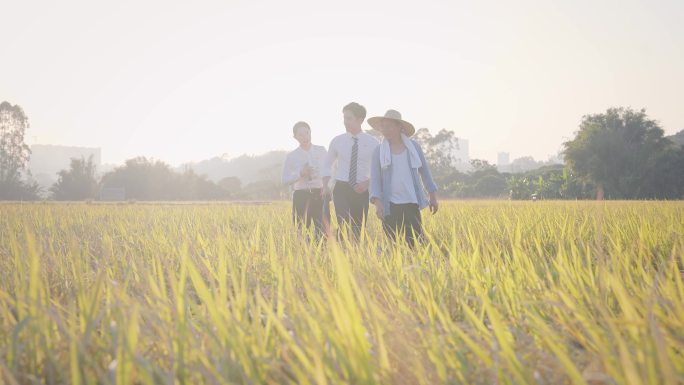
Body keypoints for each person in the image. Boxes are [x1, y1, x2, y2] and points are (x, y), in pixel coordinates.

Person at [368, 110, 438, 247]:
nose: (385, 130)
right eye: (383, 126)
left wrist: (433, 196)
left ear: (400, 127)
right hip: (390, 205)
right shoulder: (379, 151)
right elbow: (375, 179)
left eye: (389, 126)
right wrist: (377, 203)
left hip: (411, 203)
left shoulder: (414, 148)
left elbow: (425, 172)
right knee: (394, 245)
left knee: (415, 243)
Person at [322, 102, 380, 240]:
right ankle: (341, 253)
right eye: (344, 118)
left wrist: (367, 183)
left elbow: (379, 169)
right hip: (341, 188)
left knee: (358, 229)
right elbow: (326, 165)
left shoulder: (374, 142)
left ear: (360, 120)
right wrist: (326, 186)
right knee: (344, 224)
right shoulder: (337, 141)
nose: (345, 122)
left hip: (362, 189)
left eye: (349, 118)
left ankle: (353, 256)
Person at [282, 121, 329, 239]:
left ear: (311, 133)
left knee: (322, 231)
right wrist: (301, 173)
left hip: (320, 194)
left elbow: (329, 170)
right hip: (301, 196)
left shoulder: (321, 150)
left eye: (307, 133)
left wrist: (326, 185)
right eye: (300, 135)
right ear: (295, 137)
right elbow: (284, 179)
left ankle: (322, 255)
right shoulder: (292, 156)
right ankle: (304, 255)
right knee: (302, 232)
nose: (305, 137)